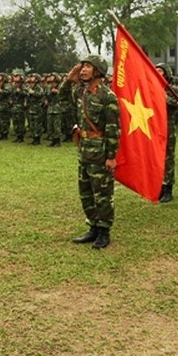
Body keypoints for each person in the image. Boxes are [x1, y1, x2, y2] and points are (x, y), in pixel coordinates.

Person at [59, 55, 120, 250]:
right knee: (85, 192)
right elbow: (61, 96)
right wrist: (69, 78)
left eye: (87, 66)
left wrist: (111, 157)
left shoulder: (107, 96)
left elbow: (113, 128)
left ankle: (104, 232)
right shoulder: (81, 92)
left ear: (98, 71)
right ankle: (92, 227)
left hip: (100, 151)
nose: (82, 69)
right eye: (82, 66)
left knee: (102, 194)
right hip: (84, 150)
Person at [156, 64, 178, 203]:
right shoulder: (151, 88)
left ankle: (168, 188)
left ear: (167, 74)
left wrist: (166, 98)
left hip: (167, 126)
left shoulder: (173, 89)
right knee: (157, 157)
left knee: (168, 157)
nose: (157, 72)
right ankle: (160, 186)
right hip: (154, 127)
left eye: (160, 70)